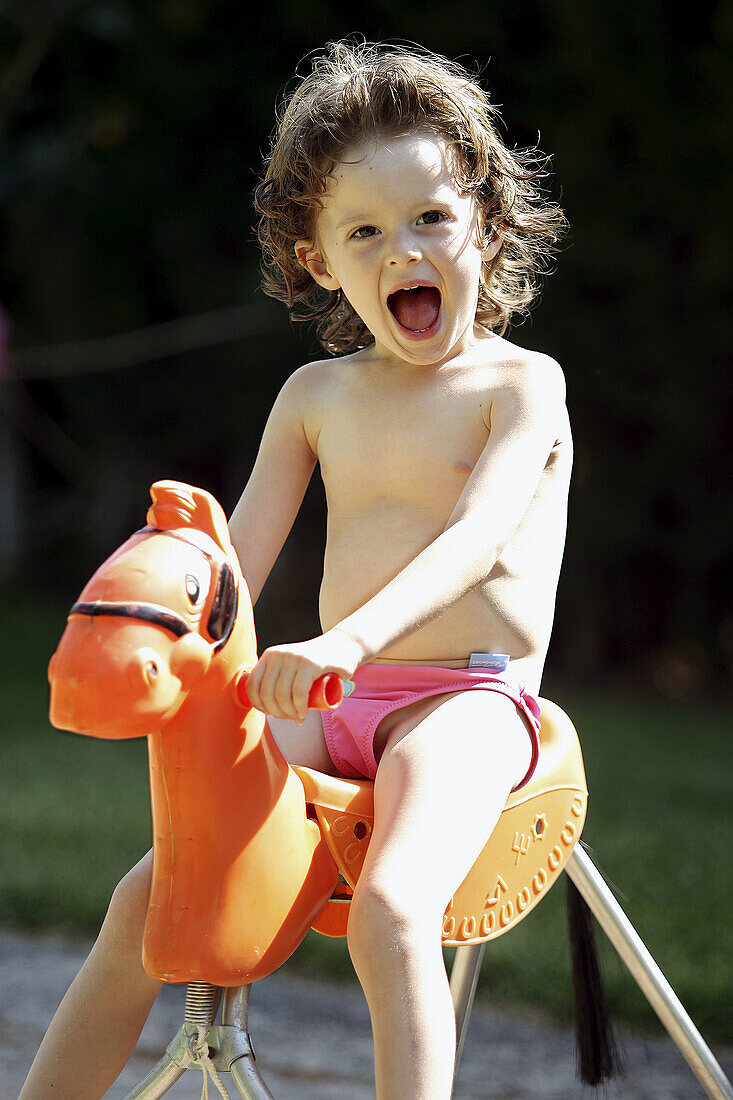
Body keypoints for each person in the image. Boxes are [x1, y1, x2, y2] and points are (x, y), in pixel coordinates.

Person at [21, 39, 570, 1100]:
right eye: (363, 230)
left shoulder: (521, 384)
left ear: (486, 226)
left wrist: (346, 638)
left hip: (467, 698)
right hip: (334, 692)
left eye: (429, 219)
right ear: (318, 259)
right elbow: (232, 566)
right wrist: (153, 632)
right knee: (147, 896)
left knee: (395, 907)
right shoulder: (316, 396)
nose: (399, 249)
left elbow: (478, 537)